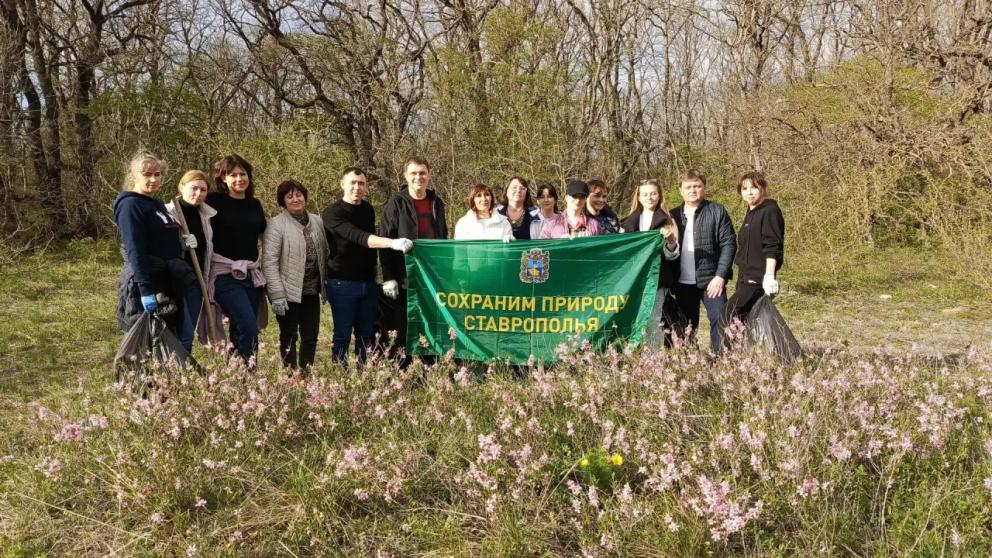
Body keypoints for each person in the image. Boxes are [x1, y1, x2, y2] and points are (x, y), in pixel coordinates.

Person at [323, 167, 412, 365]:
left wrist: (386, 275)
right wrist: (392, 242)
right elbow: (361, 238)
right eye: (352, 183)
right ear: (342, 184)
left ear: (366, 187)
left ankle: (364, 378)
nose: (357, 187)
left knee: (367, 335)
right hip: (342, 284)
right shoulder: (332, 213)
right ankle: (342, 377)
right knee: (343, 334)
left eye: (361, 183)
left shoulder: (368, 209)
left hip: (368, 284)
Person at [113, 150, 197, 340]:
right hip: (147, 282)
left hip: (169, 281)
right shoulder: (130, 205)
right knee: (148, 344)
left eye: (157, 174)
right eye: (147, 174)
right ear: (134, 176)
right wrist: (145, 290)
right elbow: (135, 250)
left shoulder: (156, 203)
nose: (153, 179)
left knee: (178, 338)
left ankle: (173, 371)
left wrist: (182, 243)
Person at [378, 157, 447, 362]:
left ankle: (430, 372)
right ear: (406, 176)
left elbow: (443, 237)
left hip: (430, 278)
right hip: (403, 277)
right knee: (403, 327)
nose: (419, 177)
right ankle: (403, 373)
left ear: (429, 175)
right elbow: (386, 240)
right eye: (414, 173)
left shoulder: (437, 203)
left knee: (430, 325)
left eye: (423, 173)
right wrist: (389, 276)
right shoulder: (396, 203)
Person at [206, 154, 267, 365]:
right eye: (233, 175)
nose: (239, 179)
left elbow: (263, 236)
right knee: (249, 326)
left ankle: (242, 376)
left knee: (243, 328)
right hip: (224, 274)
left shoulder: (254, 204)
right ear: (223, 178)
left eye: (243, 174)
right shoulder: (213, 201)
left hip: (250, 275)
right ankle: (242, 371)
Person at [262, 180, 329, 372]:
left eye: (298, 194)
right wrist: (276, 295)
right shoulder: (276, 225)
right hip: (287, 292)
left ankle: (306, 375)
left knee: (311, 335)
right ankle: (290, 376)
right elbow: (269, 262)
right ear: (282, 201)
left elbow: (325, 253)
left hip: (311, 290)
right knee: (289, 335)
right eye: (289, 196)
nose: (295, 199)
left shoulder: (317, 221)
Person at [670, 170, 737, 352]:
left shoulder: (717, 211)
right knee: (686, 326)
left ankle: (721, 359)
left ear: (704, 188)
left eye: (697, 186)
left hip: (711, 281)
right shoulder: (671, 215)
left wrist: (720, 276)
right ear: (680, 190)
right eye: (688, 187)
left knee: (721, 318)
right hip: (682, 282)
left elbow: (729, 244)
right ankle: (690, 363)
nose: (693, 190)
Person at [719, 170, 785, 344]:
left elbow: (772, 246)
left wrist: (769, 276)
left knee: (728, 313)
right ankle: (741, 360)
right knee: (741, 319)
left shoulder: (770, 211)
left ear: (763, 188)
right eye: (744, 189)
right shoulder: (751, 212)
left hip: (758, 277)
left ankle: (728, 357)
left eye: (754, 188)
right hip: (744, 275)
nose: (749, 192)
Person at [619, 179, 681, 345]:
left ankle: (652, 362)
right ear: (638, 197)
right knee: (631, 319)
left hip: (657, 280)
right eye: (645, 194)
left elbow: (672, 256)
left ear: (659, 195)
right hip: (633, 281)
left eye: (653, 193)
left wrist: (671, 241)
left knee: (653, 320)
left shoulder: (669, 221)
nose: (649, 197)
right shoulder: (626, 224)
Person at [165, 170, 216, 352]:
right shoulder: (168, 212)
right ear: (181, 187)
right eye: (194, 188)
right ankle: (173, 372)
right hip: (175, 281)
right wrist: (180, 245)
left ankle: (182, 373)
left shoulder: (206, 215)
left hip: (197, 281)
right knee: (180, 331)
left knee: (188, 331)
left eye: (203, 190)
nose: (198, 193)